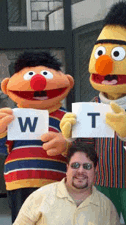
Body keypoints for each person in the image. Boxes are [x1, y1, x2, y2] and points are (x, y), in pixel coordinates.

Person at [60, 2, 126, 225]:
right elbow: (86, 146)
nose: (104, 64)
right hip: (101, 181)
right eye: (100, 54)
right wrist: (70, 134)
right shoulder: (93, 104)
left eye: (116, 55)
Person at [0, 51, 74, 222]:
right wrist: (2, 133)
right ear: (6, 86)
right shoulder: (11, 116)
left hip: (55, 182)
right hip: (19, 181)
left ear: (68, 82)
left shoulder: (66, 117)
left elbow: (79, 149)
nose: (38, 82)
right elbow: (4, 148)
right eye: (31, 75)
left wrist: (67, 145)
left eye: (46, 75)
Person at [13, 142, 120, 225]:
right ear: (67, 167)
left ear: (95, 169)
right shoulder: (41, 196)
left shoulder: (106, 206)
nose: (80, 171)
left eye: (87, 166)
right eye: (75, 165)